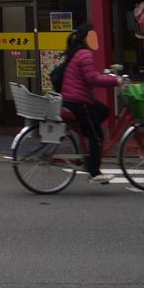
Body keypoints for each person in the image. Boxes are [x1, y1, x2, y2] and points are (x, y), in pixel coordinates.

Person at [59, 22, 124, 185]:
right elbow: (92, 79)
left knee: (103, 111)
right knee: (98, 136)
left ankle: (85, 138)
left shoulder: (78, 53)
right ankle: (94, 172)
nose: (96, 39)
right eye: (93, 36)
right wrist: (116, 81)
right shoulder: (85, 54)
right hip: (79, 102)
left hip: (73, 99)